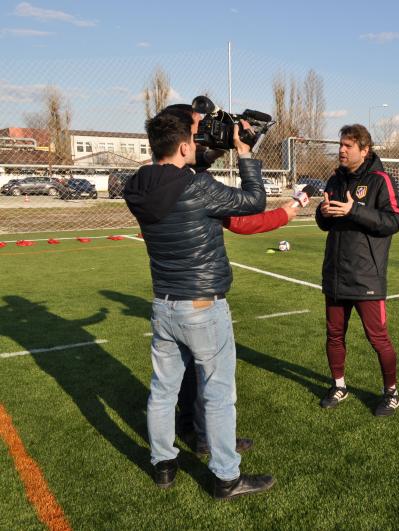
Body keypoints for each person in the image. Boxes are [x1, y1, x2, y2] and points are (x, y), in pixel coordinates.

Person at [124, 108, 274, 500]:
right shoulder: (197, 188)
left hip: (164, 304)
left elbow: (169, 174)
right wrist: (244, 152)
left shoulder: (137, 186)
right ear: (185, 145)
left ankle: (163, 464)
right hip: (203, 307)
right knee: (218, 393)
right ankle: (226, 476)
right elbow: (254, 201)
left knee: (163, 390)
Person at [315, 124, 399, 416]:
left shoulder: (380, 180)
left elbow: (394, 221)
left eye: (348, 146)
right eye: (340, 144)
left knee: (378, 338)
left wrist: (355, 210)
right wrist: (323, 213)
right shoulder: (335, 180)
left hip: (366, 276)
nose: (341, 150)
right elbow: (326, 222)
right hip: (336, 273)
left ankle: (391, 392)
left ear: (364, 150)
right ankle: (339, 386)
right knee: (334, 334)